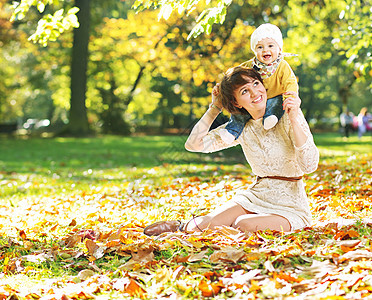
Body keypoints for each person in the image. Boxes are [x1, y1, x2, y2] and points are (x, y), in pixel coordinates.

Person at [143, 67, 319, 236]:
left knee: (244, 224)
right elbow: (193, 144)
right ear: (236, 102)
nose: (254, 93)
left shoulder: (289, 115)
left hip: (290, 205)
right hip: (257, 196)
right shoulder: (238, 129)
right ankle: (181, 227)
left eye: (256, 84)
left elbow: (310, 165)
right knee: (201, 225)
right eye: (244, 91)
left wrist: (294, 119)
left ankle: (228, 228)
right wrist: (214, 108)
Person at [220, 23, 298, 143]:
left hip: (274, 97)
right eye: (260, 47)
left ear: (280, 49)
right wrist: (221, 86)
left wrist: (291, 96)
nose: (265, 50)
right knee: (240, 113)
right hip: (255, 100)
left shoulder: (282, 66)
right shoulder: (250, 65)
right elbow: (234, 76)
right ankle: (231, 131)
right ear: (254, 51)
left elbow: (290, 82)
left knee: (277, 103)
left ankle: (270, 117)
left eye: (271, 46)